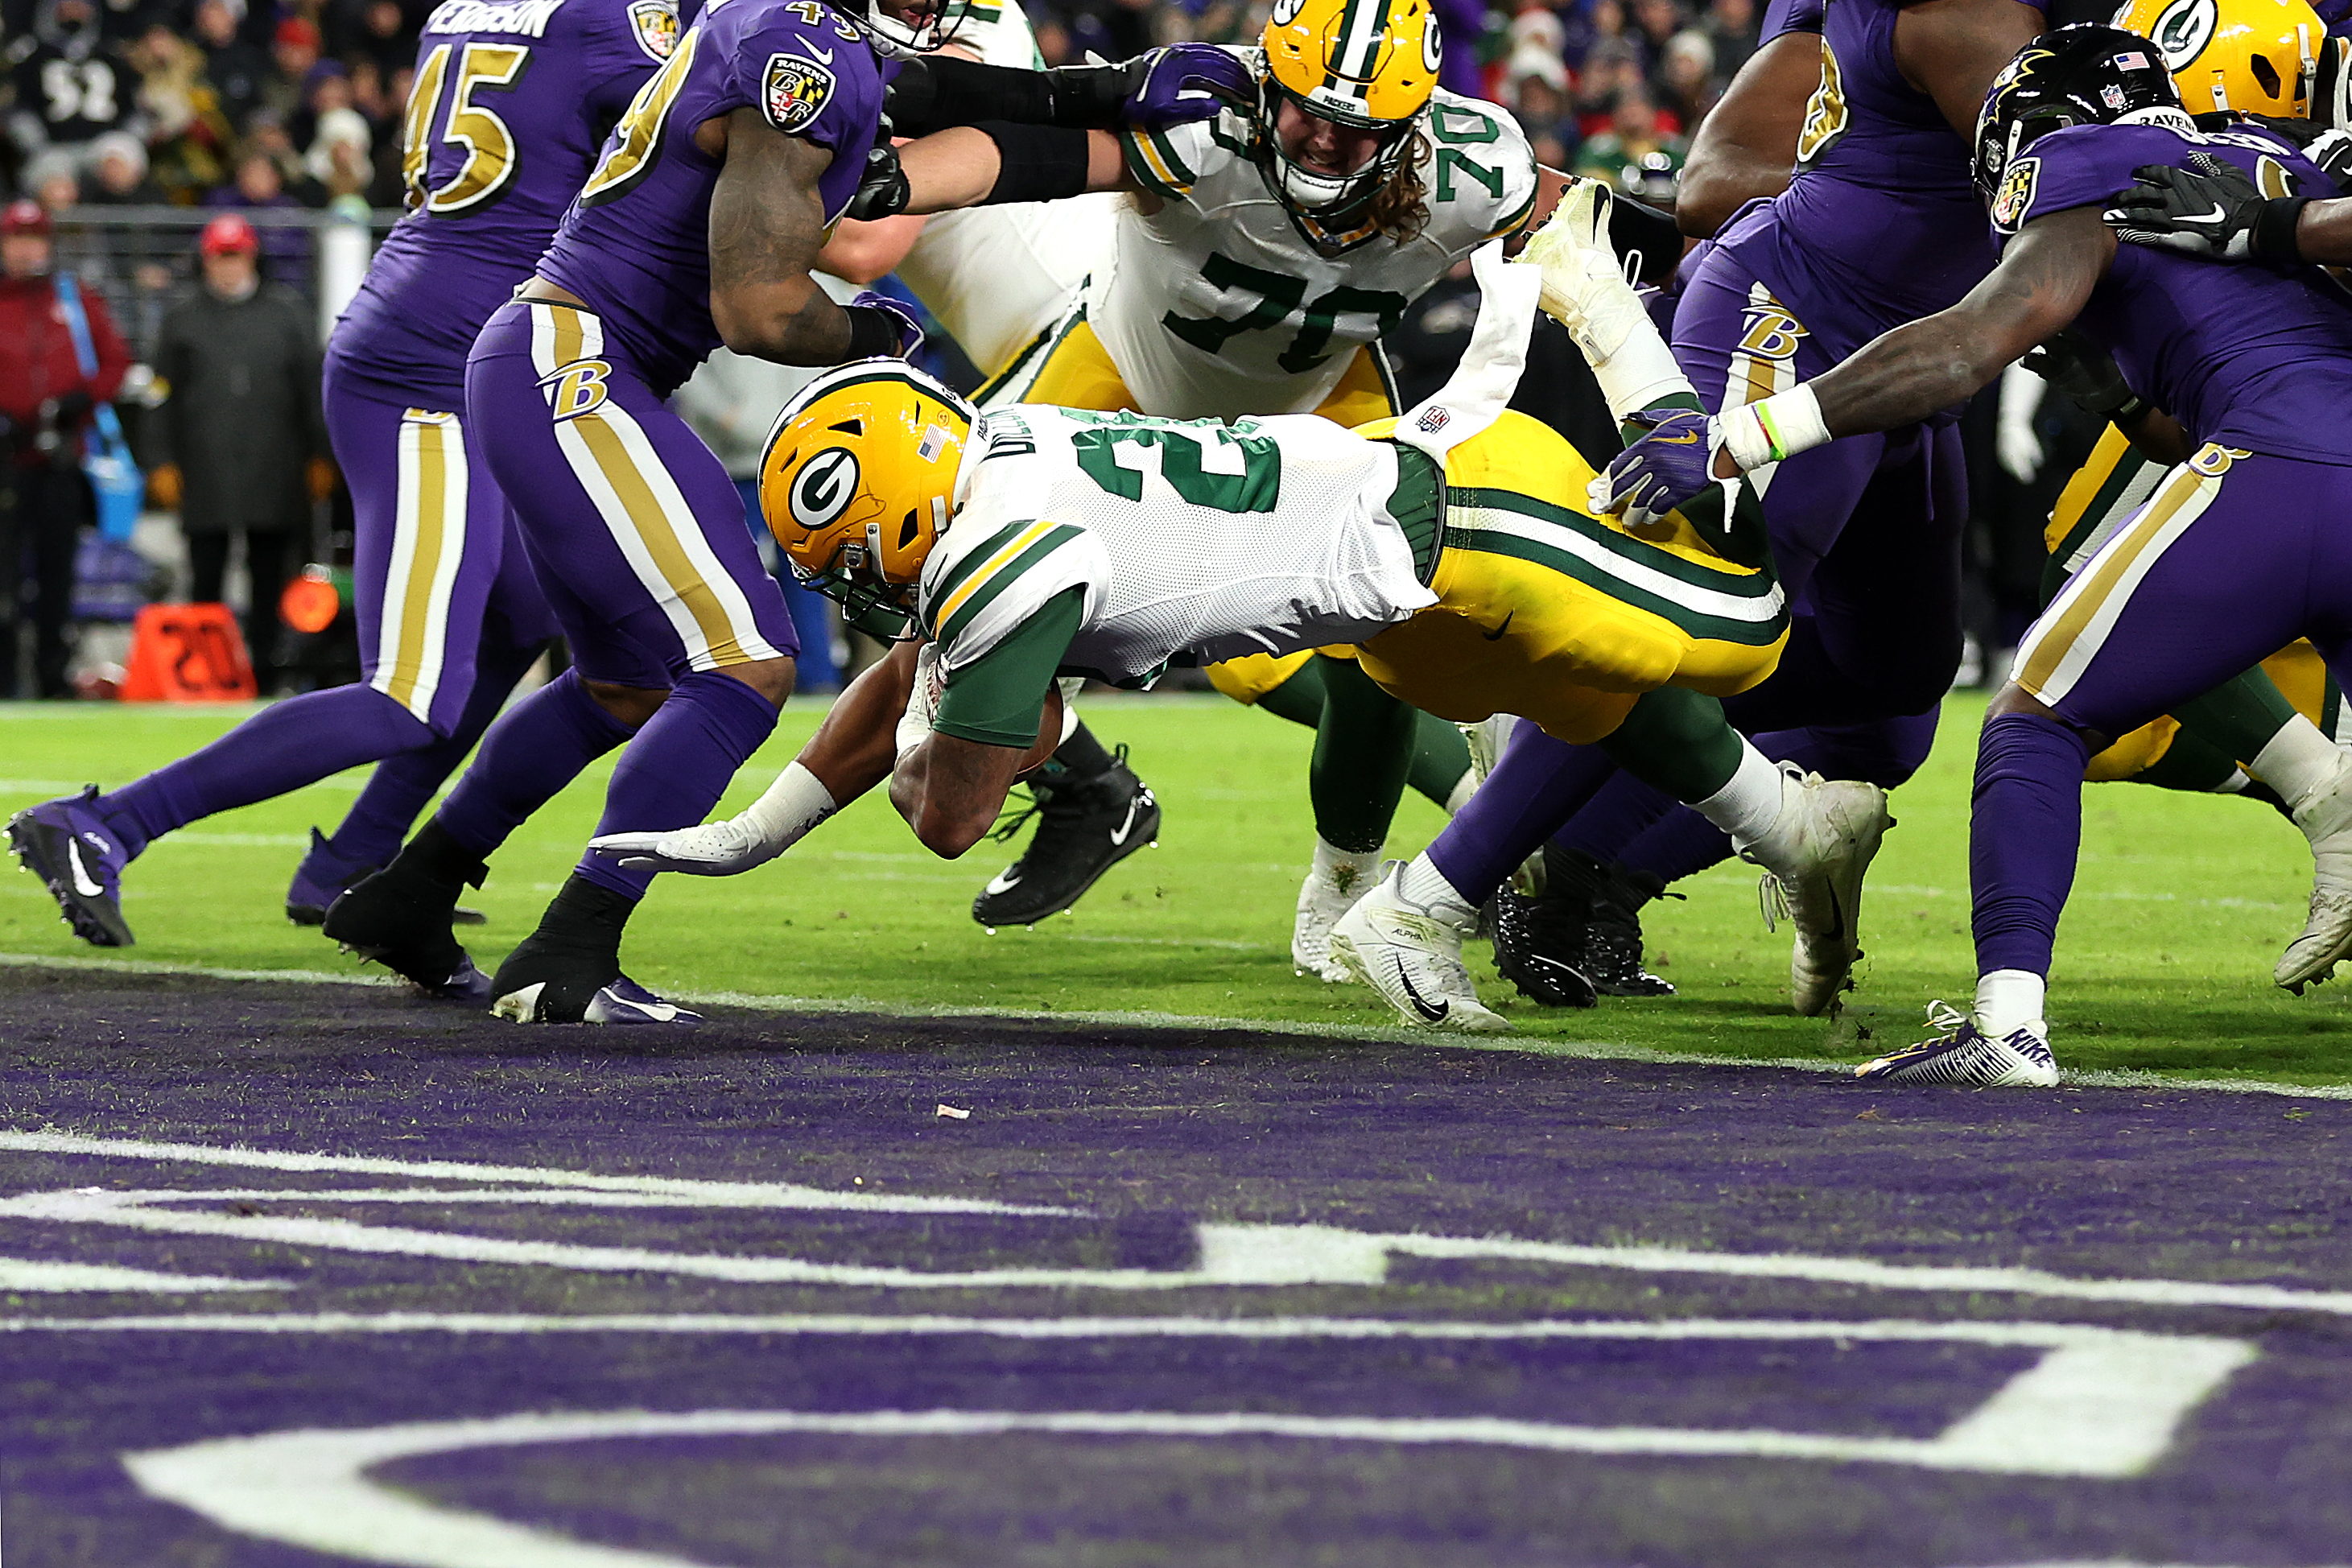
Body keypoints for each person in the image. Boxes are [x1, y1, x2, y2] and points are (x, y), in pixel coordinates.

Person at [592, 213, 1888, 1036]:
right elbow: (930, 656)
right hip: (1385, 587)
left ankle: (1598, 303)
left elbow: (944, 815)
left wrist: (947, 714)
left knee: (1749, 632)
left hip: (1475, 522)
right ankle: (1803, 840)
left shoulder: (997, 570)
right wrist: (762, 830)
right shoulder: (995, 450)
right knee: (1601, 711)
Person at [317, 0, 1251, 1024]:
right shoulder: (801, 59)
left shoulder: (790, 31)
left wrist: (1116, 92)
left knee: (625, 687)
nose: (928, 17)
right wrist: (866, 331)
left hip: (558, 361)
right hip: (577, 365)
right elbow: (756, 308)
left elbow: (958, 96)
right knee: (745, 665)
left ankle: (413, 893)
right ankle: (570, 948)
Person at [1595, 25, 2352, 1085]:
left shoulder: (2081, 163)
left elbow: (1959, 350)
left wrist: (1732, 438)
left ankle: (2006, 1027)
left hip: (2272, 471)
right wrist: (2123, 386)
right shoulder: (2275, 168)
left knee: (2033, 717)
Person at [847, 0, 1653, 976]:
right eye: (1307, 107)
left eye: (1359, 126)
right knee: (966, 612)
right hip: (1127, 370)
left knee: (1392, 632)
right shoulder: (1202, 117)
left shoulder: (1471, 166)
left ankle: (1393, 866)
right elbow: (1037, 139)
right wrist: (894, 156)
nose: (1324, 138)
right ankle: (1108, 796)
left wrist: (1718, 242)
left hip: (1320, 399)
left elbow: (1585, 228)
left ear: (1412, 125)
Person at [1398, 0, 2048, 1020]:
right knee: (1680, 631)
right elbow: (1712, 183)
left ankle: (1577, 829)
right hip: (1792, 323)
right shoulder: (1939, 21)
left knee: (1891, 702)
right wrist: (1902, 217)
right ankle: (1432, 897)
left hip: (1909, 371)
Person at [5, 0, 677, 954]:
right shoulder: (607, 24)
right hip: (432, 371)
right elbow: (725, 117)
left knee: (518, 617)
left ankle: (353, 858)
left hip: (449, 335)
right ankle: (108, 823)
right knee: (409, 690)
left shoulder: (474, 11)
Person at [147, 213, 332, 683]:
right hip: (204, 469)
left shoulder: (287, 314)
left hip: (275, 467)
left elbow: (313, 392)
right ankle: (206, 674)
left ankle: (266, 672)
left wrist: (321, 455)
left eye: (235, 256)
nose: (228, 268)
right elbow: (157, 397)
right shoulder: (182, 319)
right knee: (205, 577)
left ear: (252, 258)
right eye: (219, 258)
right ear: (206, 262)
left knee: (270, 576)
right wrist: (160, 461)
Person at [0, 196, 127, 701]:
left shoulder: (74, 299)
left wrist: (82, 402)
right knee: (3, 578)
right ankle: (6, 679)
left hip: (61, 458)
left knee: (58, 573)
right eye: (17, 238)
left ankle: (52, 677)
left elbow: (115, 363)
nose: (27, 249)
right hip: (6, 462)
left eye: (35, 238)